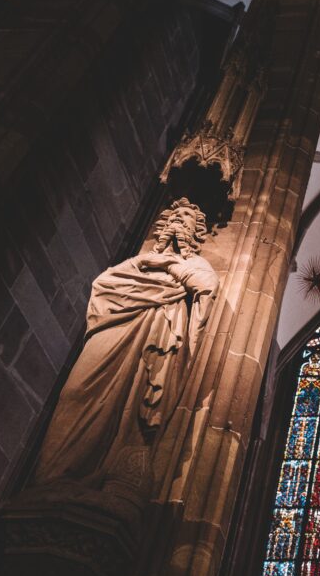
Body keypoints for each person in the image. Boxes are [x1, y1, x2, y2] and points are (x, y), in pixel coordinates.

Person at [31, 198, 219, 496]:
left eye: (186, 218)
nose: (178, 220)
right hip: (117, 328)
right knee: (76, 391)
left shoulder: (194, 264)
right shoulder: (139, 260)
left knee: (128, 407)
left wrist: (169, 264)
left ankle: (100, 478)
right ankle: (47, 480)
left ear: (195, 232)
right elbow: (104, 283)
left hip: (156, 333)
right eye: (175, 215)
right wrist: (151, 263)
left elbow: (207, 288)